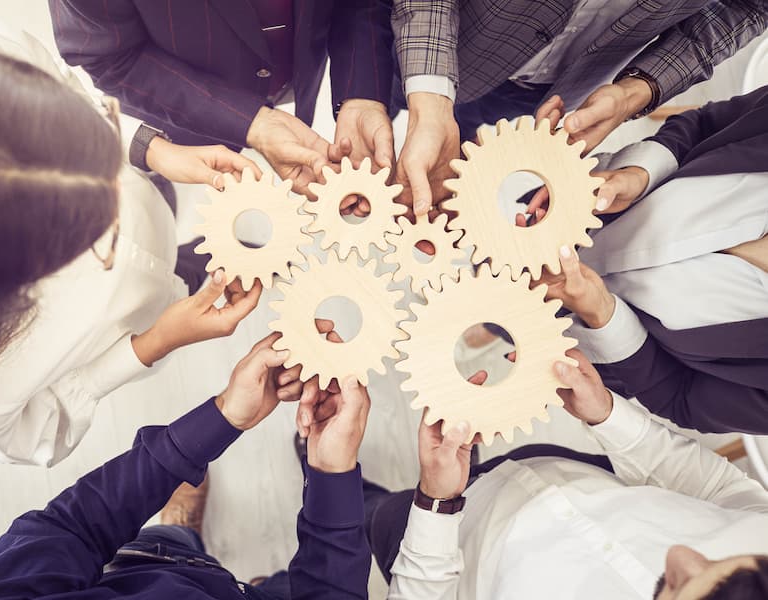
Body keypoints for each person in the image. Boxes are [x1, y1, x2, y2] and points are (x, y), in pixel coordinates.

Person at [0, 16, 263, 466]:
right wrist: (157, 340)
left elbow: (73, 91)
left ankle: (183, 259)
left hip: (156, 223)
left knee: (168, 228)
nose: (115, 200)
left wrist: (149, 151)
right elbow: (41, 428)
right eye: (96, 235)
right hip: (133, 322)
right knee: (182, 277)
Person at [0, 334, 375, 599]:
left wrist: (223, 417)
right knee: (282, 586)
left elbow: (70, 529)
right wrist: (330, 472)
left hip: (149, 558)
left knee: (172, 536)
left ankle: (184, 529)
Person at [362, 351, 768, 598]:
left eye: (675, 587)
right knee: (461, 432)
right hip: (558, 468)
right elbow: (718, 489)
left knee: (369, 512)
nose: (679, 554)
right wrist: (606, 414)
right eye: (723, 557)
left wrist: (436, 502)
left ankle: (349, 493)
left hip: (445, 542)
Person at [532, 86, 768, 435]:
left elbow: (680, 397)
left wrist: (602, 316)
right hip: (551, 203)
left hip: (560, 335)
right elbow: (703, 125)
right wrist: (637, 175)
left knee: (483, 326)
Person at [390, 0, 768, 216]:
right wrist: (429, 93)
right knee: (400, 111)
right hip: (447, 39)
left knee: (470, 136)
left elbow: (749, 6)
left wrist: (638, 89)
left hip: (563, 82)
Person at [48, 0, 398, 199]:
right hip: (179, 110)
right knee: (162, 199)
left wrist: (362, 93)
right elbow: (109, 57)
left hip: (301, 72)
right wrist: (248, 120)